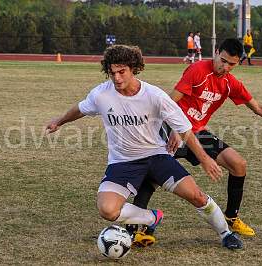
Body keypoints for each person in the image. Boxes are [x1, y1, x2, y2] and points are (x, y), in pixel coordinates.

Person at [45, 45, 243, 250]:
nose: (117, 78)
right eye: (112, 73)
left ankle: (225, 234)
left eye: (122, 72)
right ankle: (151, 218)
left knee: (197, 196)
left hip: (157, 157)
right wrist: (59, 121)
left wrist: (204, 159)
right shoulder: (101, 94)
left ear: (134, 69)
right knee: (107, 210)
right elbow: (80, 109)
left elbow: (184, 129)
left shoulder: (154, 95)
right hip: (123, 161)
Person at [129, 39, 262, 247]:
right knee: (153, 175)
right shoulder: (198, 70)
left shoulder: (230, 83)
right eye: (223, 61)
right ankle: (134, 228)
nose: (225, 67)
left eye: (231, 64)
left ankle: (231, 218)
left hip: (198, 132)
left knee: (239, 164)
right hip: (171, 130)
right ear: (216, 52)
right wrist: (176, 127)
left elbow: (259, 108)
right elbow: (171, 101)